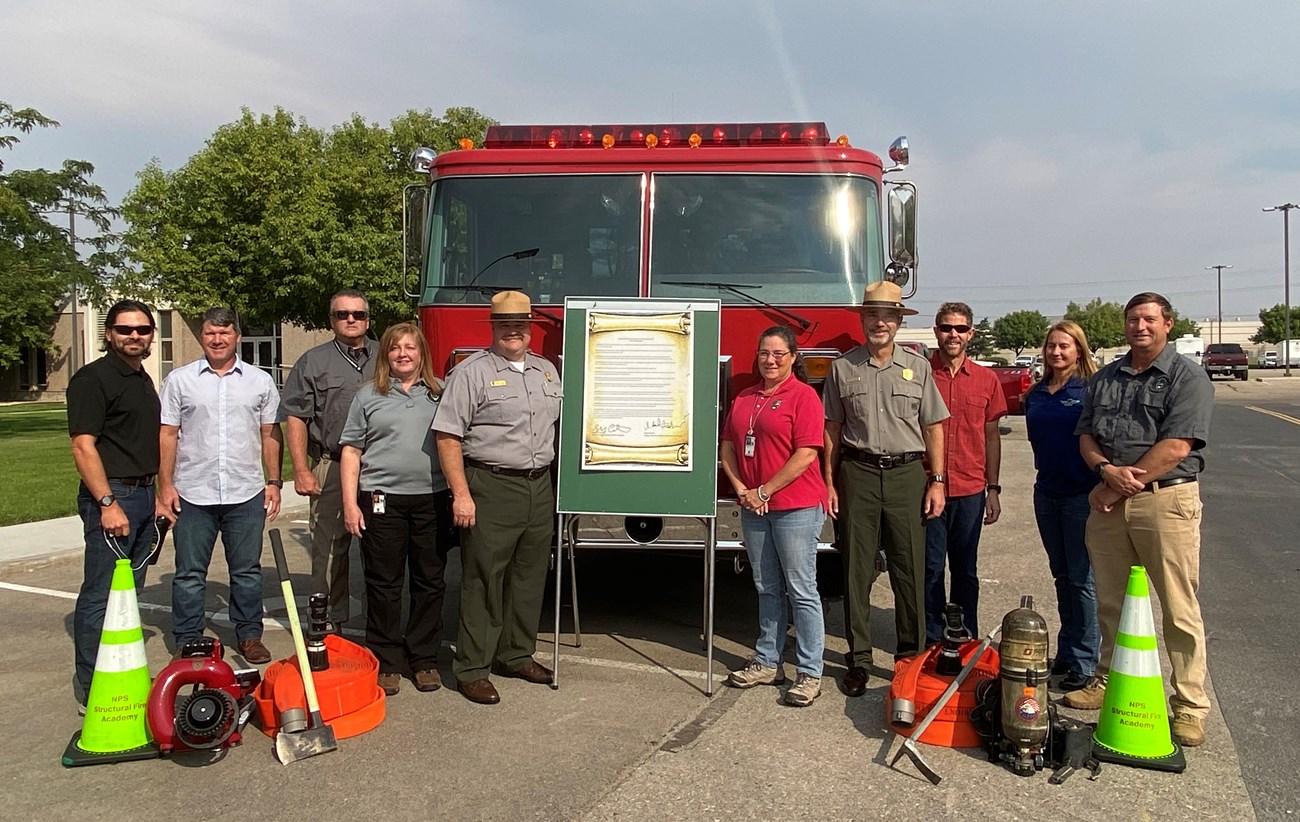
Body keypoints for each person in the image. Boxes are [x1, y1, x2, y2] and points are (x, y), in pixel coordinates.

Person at [1066, 292, 1214, 748]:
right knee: (1111, 601)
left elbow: (1178, 446)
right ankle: (1107, 680)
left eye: (1149, 319)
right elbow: (1086, 434)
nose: (1140, 327)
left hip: (1165, 502)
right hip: (1111, 503)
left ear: (1168, 324)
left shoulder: (1187, 377)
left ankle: (1189, 705)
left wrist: (1114, 485)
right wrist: (1103, 471)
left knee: (1177, 606)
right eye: (1133, 319)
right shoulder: (1107, 377)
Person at [432, 291, 563, 705]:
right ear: (493, 327)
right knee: (483, 579)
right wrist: (461, 495)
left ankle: (516, 654)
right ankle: (472, 667)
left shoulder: (546, 372)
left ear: (530, 328)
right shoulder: (471, 372)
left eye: (521, 324)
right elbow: (448, 435)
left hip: (539, 486)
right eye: (505, 324)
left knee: (529, 577)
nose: (514, 331)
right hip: (491, 485)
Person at [823, 281, 949, 698]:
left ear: (898, 322)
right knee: (856, 571)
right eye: (873, 316)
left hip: (907, 475)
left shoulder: (920, 367)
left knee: (909, 569)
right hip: (857, 473)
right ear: (863, 320)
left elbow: (933, 427)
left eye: (888, 316)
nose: (880, 323)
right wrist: (829, 481)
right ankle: (858, 659)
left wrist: (937, 480)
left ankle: (909, 659)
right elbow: (833, 431)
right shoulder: (843, 368)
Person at [157, 308, 283, 664]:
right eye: (211, 333)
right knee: (190, 573)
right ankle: (188, 638)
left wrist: (273, 482)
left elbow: (271, 433)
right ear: (202, 336)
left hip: (245, 492)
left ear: (237, 337)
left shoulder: (259, 381)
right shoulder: (180, 381)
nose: (217, 340)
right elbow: (167, 434)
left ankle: (249, 635)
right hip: (192, 493)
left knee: (246, 570)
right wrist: (165, 485)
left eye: (224, 333)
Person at [340, 323, 450, 697]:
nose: (403, 354)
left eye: (411, 348)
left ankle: (423, 660)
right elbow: (351, 451)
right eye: (395, 348)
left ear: (422, 353)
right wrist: (350, 503)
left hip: (432, 499)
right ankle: (386, 660)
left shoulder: (440, 393)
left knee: (429, 582)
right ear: (385, 354)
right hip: (381, 500)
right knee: (384, 583)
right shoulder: (368, 395)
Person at [719, 326, 827, 707]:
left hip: (795, 507)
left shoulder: (804, 397)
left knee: (801, 589)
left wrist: (765, 490)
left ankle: (810, 672)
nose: (771, 359)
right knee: (766, 586)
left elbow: (807, 454)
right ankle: (767, 661)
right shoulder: (746, 397)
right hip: (754, 508)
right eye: (765, 352)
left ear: (794, 357)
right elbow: (728, 445)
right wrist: (741, 489)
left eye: (780, 353)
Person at [67, 300, 162, 713]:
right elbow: (82, 444)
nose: (134, 336)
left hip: (143, 496)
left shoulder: (141, 379)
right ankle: (91, 684)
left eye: (142, 330)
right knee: (102, 594)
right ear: (108, 334)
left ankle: (120, 671)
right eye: (125, 330)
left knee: (129, 593)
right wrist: (106, 502)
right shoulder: (93, 379)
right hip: (114, 497)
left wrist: (157, 494)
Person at [280, 289, 378, 630]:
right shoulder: (313, 361)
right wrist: (303, 470)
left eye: (358, 314)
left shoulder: (388, 356)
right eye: (342, 314)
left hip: (380, 467)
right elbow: (295, 417)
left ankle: (379, 621)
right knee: (329, 550)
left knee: (380, 546)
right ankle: (328, 620)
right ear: (331, 320)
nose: (351, 320)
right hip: (332, 464)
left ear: (368, 319)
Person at [923, 302, 1007, 643]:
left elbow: (991, 437)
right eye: (946, 328)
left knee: (965, 570)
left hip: (971, 488)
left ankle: (964, 634)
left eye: (960, 329)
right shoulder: (921, 375)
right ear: (936, 332)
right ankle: (931, 637)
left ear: (970, 333)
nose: (952, 335)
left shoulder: (987, 380)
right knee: (929, 569)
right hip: (929, 489)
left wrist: (994, 489)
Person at [1024, 320, 1099, 693]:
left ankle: (1086, 660)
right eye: (1052, 346)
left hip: (1081, 496)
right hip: (1047, 493)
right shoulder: (1037, 393)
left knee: (1082, 580)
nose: (1056, 352)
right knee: (1061, 577)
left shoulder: (1089, 390)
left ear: (1079, 350)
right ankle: (1068, 652)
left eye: (1064, 346)